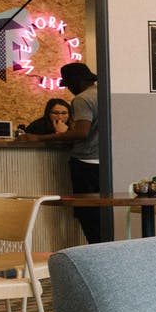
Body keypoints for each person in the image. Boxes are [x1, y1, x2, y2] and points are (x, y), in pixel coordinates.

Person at [52, 61, 109, 243]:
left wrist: (38, 138)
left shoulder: (82, 99)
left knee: (88, 215)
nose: (69, 89)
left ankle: (94, 252)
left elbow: (82, 132)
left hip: (85, 164)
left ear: (76, 81)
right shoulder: (104, 94)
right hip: (105, 164)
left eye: (69, 84)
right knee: (104, 214)